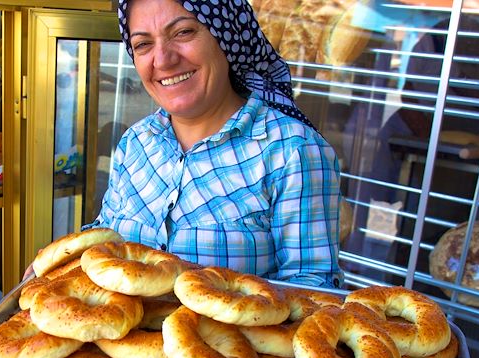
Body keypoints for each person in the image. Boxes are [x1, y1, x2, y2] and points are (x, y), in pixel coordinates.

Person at [83, 0, 343, 288]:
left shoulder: (292, 151)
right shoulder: (136, 143)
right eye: (143, 44)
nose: (163, 60)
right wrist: (64, 261)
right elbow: (104, 241)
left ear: (226, 37)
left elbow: (313, 293)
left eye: (182, 32)